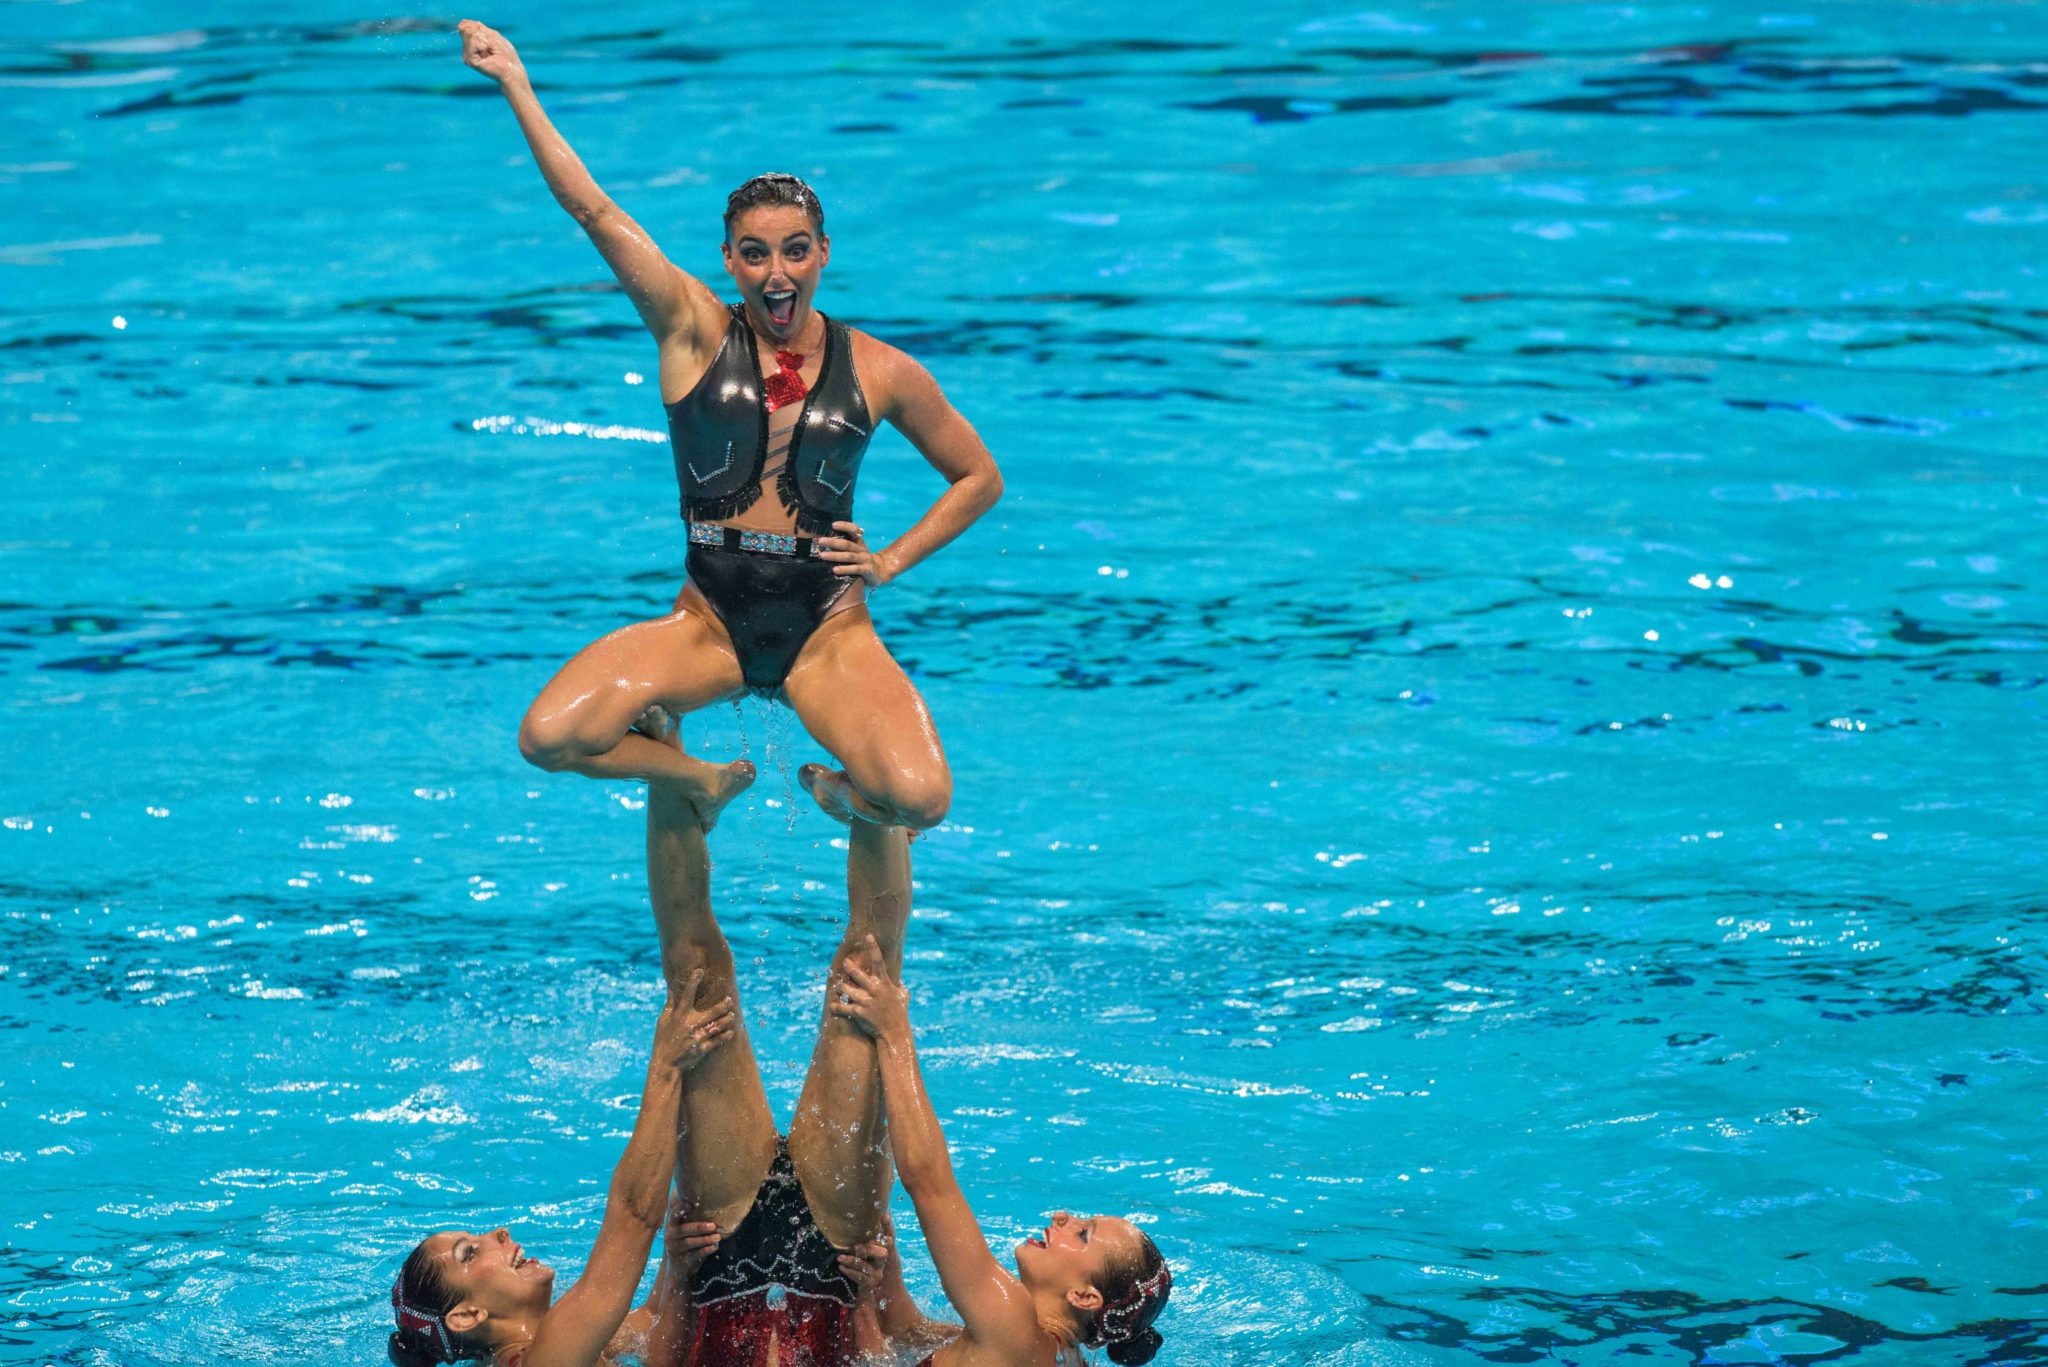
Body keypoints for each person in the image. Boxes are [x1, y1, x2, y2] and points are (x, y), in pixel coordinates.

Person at [457, 20, 1004, 834]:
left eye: (793, 251)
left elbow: (979, 477)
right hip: (708, 621)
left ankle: (842, 794)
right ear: (728, 260)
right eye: (754, 254)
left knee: (921, 799)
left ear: (823, 253)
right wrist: (518, 88)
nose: (775, 273)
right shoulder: (692, 333)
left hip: (827, 631)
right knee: (550, 735)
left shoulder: (883, 369)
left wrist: (888, 561)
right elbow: (594, 211)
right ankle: (698, 779)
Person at [388, 713, 915, 1366]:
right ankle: (871, 773)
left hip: (718, 1251)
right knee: (860, 986)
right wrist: (873, 1304)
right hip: (826, 1274)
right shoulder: (552, 1356)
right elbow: (632, 1215)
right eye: (473, 1252)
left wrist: (675, 1275)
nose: (497, 1232)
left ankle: (673, 756)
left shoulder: (583, 1340)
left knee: (703, 972)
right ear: (469, 1314)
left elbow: (658, 1331)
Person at [832, 943, 1174, 1367]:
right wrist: (884, 1282)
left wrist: (894, 1031)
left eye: (1083, 1234)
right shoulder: (1059, 1354)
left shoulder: (1014, 1326)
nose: (1063, 1217)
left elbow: (929, 1184)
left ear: (1084, 1297)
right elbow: (909, 1335)